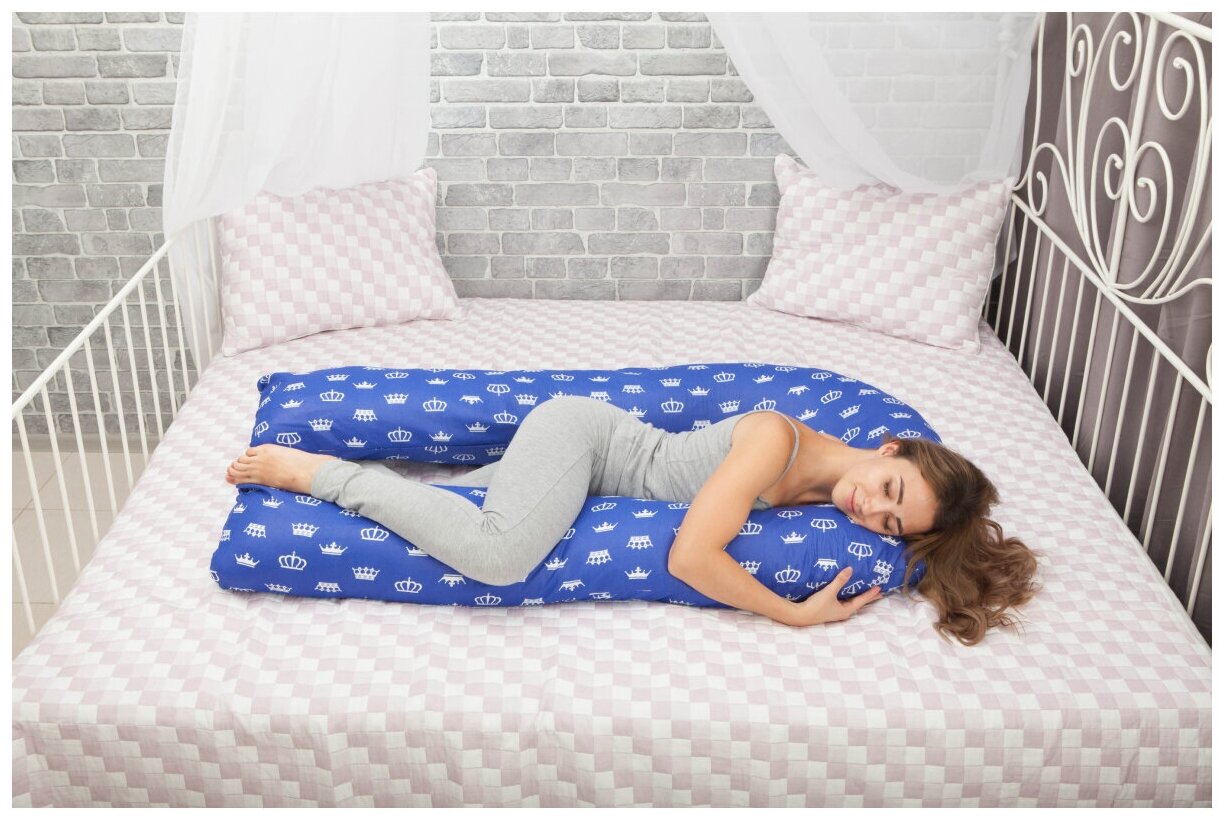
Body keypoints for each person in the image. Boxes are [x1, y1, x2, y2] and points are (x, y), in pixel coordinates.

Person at [225, 394, 1039, 645]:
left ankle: (336, 484)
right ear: (891, 448)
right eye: (889, 487)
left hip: (594, 474)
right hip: (586, 443)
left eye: (892, 526)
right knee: (497, 556)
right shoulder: (776, 441)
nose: (871, 510)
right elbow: (691, 556)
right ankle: (324, 474)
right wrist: (793, 615)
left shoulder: (832, 484)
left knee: (452, 507)